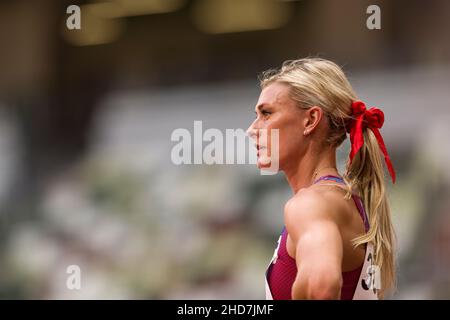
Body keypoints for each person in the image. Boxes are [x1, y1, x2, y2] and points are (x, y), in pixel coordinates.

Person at [246, 58, 396, 300]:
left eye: (266, 113)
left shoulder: (311, 204)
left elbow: (323, 285)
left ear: (310, 120)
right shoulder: (345, 200)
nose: (252, 128)